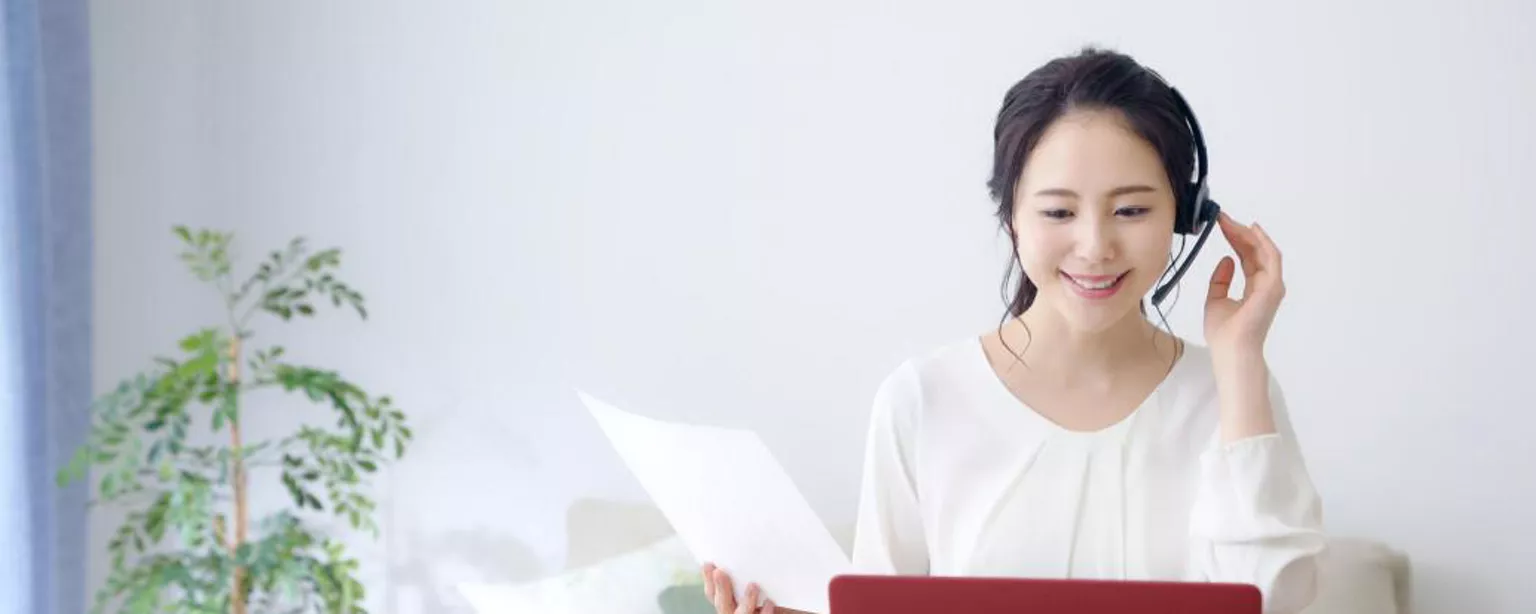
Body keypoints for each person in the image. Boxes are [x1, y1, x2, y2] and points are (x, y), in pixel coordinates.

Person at [700, 46, 1326, 614]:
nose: (1095, 246)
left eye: (1131, 210)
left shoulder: (1234, 395)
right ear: (1012, 221)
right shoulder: (921, 400)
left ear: (1184, 218)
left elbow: (1275, 605)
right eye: (1058, 211)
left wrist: (1240, 360)